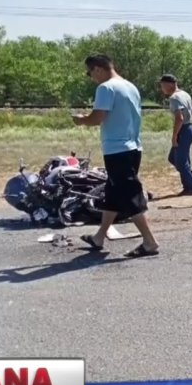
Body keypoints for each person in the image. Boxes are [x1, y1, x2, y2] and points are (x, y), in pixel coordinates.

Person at [71, 54, 160, 258]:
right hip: (133, 147)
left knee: (130, 195)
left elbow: (97, 118)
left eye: (89, 73)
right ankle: (99, 237)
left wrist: (81, 120)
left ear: (98, 69)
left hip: (117, 149)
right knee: (113, 193)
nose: (90, 77)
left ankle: (149, 242)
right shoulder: (129, 86)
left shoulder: (105, 88)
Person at [159, 74, 192, 195]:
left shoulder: (174, 98)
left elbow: (179, 118)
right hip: (190, 127)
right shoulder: (185, 94)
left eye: (162, 86)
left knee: (180, 161)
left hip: (184, 129)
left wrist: (174, 136)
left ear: (169, 84)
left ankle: (189, 188)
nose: (162, 89)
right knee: (174, 158)